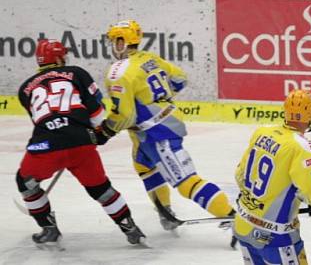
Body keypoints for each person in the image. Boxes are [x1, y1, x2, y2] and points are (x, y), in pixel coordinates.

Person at [96, 20, 235, 232]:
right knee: (143, 164)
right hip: (154, 130)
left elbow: (124, 115)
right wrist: (157, 100)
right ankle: (166, 212)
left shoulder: (119, 71)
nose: (113, 45)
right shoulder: (150, 58)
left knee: (186, 182)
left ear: (123, 42)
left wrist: (105, 131)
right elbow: (180, 79)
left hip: (157, 133)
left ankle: (233, 217)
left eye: (115, 40)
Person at [16, 39, 146, 249]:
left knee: (25, 183)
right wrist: (97, 133)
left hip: (46, 147)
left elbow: (43, 119)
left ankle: (48, 228)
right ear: (58, 58)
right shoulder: (76, 72)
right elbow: (97, 114)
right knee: (101, 189)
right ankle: (130, 228)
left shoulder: (24, 89)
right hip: (82, 144)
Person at [233, 89, 311, 265]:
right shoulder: (302, 147)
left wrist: (252, 201)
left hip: (243, 225)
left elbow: (240, 175)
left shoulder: (262, 132)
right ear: (309, 116)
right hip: (275, 238)